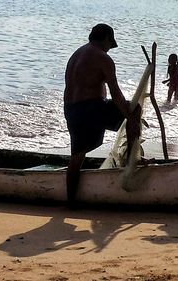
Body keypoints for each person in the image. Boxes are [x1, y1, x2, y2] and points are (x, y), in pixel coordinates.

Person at [63, 23, 141, 205]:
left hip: (71, 109)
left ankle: (71, 202)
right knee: (135, 109)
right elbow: (115, 92)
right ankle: (131, 161)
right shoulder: (103, 58)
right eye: (110, 44)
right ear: (106, 38)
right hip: (91, 108)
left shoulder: (77, 53)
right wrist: (131, 118)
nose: (109, 48)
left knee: (76, 158)